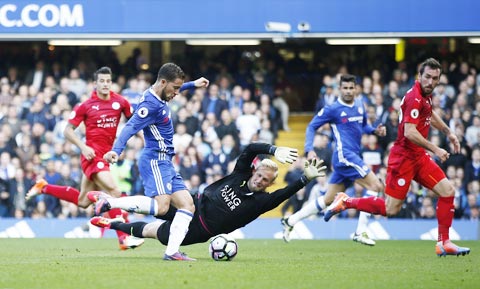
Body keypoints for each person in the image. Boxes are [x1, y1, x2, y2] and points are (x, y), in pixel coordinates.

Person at [323, 58, 470, 257]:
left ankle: (444, 243)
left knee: (448, 191)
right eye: (427, 77)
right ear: (419, 76)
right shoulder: (414, 97)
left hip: (418, 157)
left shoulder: (425, 97)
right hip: (403, 159)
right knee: (391, 209)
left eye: (435, 78)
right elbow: (409, 132)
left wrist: (448, 132)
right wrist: (435, 148)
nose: (430, 81)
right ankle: (346, 201)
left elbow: (429, 113)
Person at [89, 143, 325, 254]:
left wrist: (305, 179)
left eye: (266, 181)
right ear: (255, 171)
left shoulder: (262, 202)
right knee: (159, 206)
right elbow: (250, 149)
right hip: (191, 204)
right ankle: (110, 202)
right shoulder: (240, 174)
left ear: (269, 184)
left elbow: (284, 194)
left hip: (199, 231)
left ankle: (112, 224)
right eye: (260, 176)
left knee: (152, 231)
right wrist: (273, 150)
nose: (261, 181)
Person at [96, 63, 209, 261]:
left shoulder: (161, 92)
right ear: (163, 82)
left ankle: (172, 252)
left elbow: (176, 87)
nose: (176, 92)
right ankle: (109, 202)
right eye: (175, 88)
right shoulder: (149, 106)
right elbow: (130, 127)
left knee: (187, 204)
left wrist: (192, 84)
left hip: (165, 160)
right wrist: (116, 150)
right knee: (162, 207)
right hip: (155, 159)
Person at [26, 66, 144, 250]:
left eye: (108, 81)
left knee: (83, 201)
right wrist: (83, 146)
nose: (105, 84)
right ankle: (123, 238)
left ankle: (44, 187)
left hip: (106, 158)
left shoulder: (120, 102)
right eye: (102, 81)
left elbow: (134, 123)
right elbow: (67, 130)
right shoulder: (86, 106)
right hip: (91, 156)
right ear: (95, 83)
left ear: (111, 83)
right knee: (114, 191)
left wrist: (144, 140)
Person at [281, 74, 386, 246]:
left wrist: (375, 131)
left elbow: (363, 126)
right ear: (339, 89)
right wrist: (309, 150)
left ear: (356, 89)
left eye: (351, 88)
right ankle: (360, 231)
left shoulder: (360, 105)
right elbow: (311, 126)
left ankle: (290, 221)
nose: (348, 91)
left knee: (327, 200)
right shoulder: (333, 109)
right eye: (345, 88)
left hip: (352, 156)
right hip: (344, 156)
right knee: (375, 186)